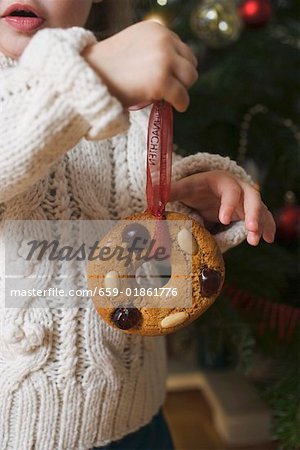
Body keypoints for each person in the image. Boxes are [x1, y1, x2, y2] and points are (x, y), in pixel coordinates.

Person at [0, 1, 276, 449]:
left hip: (136, 417)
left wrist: (194, 203)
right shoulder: (106, 75)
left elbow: (143, 221)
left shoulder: (130, 100)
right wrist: (89, 76)